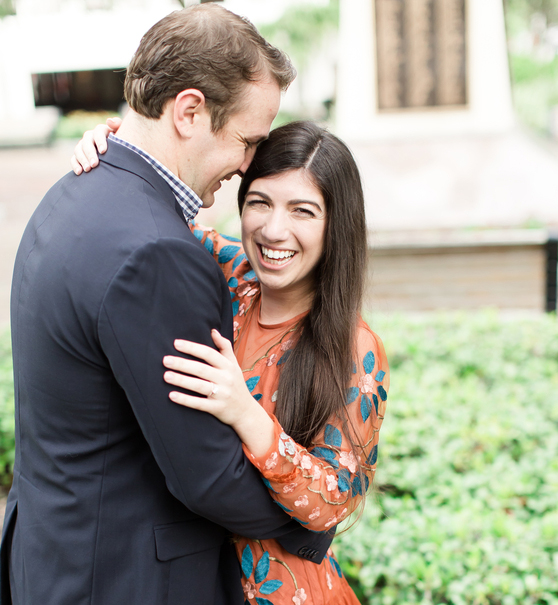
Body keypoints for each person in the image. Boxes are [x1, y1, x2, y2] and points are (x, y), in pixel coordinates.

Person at [1, 6, 333, 605]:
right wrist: (313, 516)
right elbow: (205, 475)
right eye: (247, 140)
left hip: (50, 558)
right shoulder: (156, 252)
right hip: (123, 578)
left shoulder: (74, 189)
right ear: (189, 111)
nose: (248, 167)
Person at [74, 119, 389, 605]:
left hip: (289, 593)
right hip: (193, 577)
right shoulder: (228, 271)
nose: (273, 229)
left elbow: (334, 503)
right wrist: (113, 147)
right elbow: (152, 214)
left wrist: (246, 413)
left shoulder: (355, 348)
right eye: (259, 202)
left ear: (337, 225)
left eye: (302, 211)